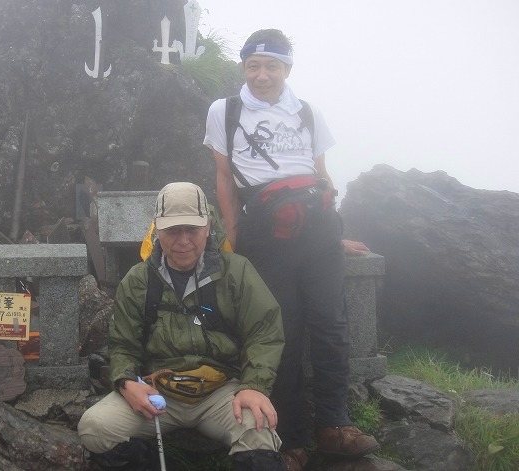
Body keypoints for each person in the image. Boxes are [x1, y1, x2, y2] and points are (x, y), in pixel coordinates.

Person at [203, 29, 379, 469]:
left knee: (331, 324)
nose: (262, 76)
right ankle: (290, 438)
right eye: (253, 66)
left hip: (318, 231)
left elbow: (320, 176)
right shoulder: (225, 112)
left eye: (272, 66)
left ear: (287, 69)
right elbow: (225, 178)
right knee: (281, 331)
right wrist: (235, 235)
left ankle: (334, 426)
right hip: (265, 232)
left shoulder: (307, 112)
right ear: (244, 67)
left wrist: (332, 233)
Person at [78, 182, 288, 470]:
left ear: (208, 226)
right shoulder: (139, 280)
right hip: (158, 391)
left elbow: (264, 332)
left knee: (258, 431)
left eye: (193, 229)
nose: (183, 240)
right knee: (94, 428)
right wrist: (126, 383)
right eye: (172, 230)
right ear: (157, 230)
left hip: (223, 390)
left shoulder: (237, 272)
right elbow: (124, 345)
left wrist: (253, 387)